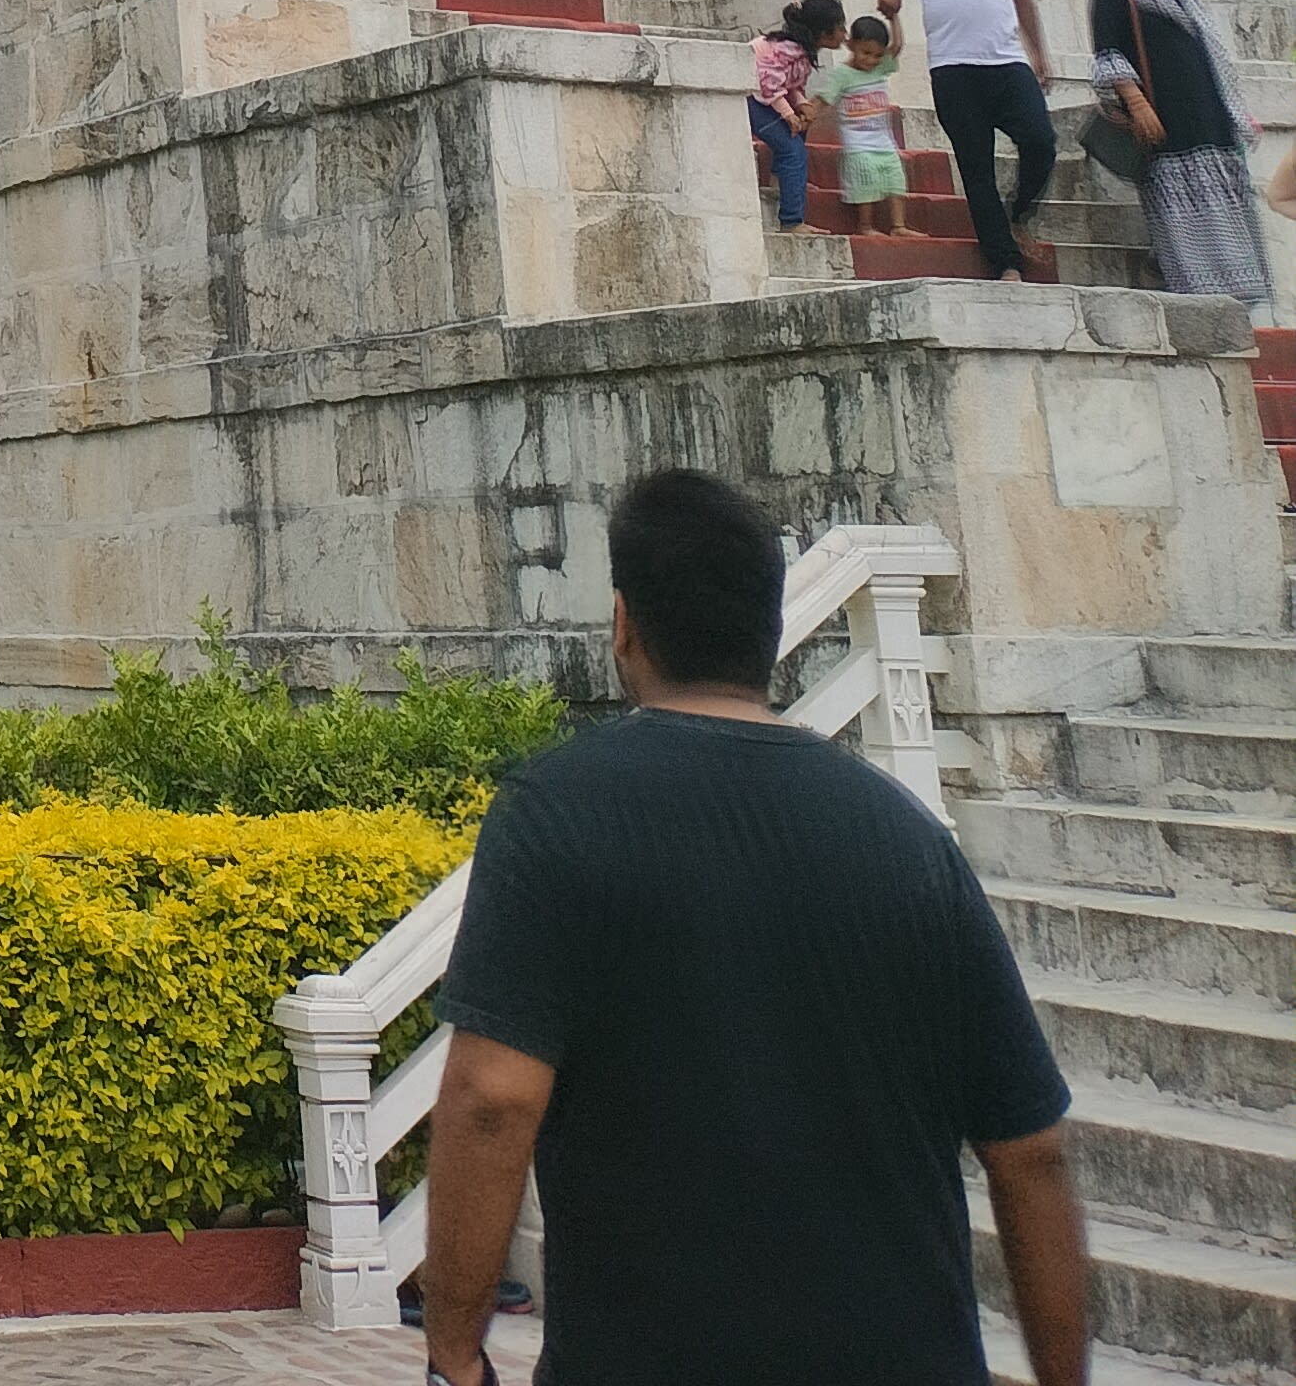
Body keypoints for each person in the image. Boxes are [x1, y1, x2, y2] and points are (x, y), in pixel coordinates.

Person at [419, 465, 1086, 1386]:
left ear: (624, 624)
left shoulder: (557, 817)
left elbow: (491, 1100)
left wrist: (453, 1356)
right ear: (770, 633)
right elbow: (1033, 1152)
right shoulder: (908, 841)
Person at [876, 0, 1056, 280]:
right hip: (953, 69)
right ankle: (1005, 261)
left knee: (1041, 141)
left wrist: (1039, 53)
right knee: (977, 170)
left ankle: (1019, 212)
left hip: (1007, 62)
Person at [1092, 0, 1273, 308]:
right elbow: (1109, 52)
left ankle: (1238, 299)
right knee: (1184, 221)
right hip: (1166, 128)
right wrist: (1137, 103)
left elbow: (1209, 55)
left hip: (1209, 122)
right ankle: (1198, 299)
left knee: (1228, 217)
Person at [748, 0, 844, 231]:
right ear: (824, 33)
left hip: (765, 97)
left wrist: (802, 106)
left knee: (799, 131)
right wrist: (788, 114)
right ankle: (791, 221)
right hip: (752, 99)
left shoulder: (802, 52)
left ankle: (782, 180)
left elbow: (791, 85)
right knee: (793, 151)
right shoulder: (788, 49)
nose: (845, 35)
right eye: (841, 29)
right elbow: (768, 83)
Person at [817, 11, 916, 233]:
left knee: (896, 181)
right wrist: (806, 115)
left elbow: (897, 45)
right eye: (866, 53)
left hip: (884, 143)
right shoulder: (842, 74)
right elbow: (825, 98)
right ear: (851, 45)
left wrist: (894, 18)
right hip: (858, 145)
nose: (872, 60)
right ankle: (865, 225)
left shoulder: (880, 68)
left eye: (878, 55)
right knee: (865, 183)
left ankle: (898, 226)